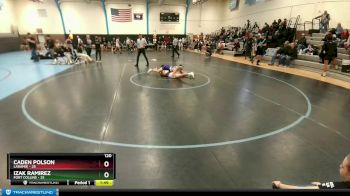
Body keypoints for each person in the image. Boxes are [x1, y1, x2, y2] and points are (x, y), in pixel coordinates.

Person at [272, 154, 350, 189]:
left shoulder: (339, 187)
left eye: (342, 166)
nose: (340, 166)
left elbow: (301, 189)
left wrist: (280, 185)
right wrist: (323, 186)